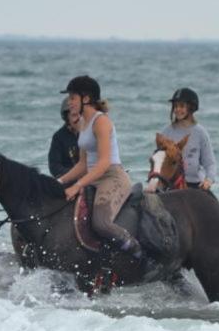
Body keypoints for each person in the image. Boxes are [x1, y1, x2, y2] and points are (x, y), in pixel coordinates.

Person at [56, 75, 157, 278]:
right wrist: (59, 182)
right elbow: (83, 164)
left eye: (73, 97)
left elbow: (103, 163)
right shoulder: (83, 122)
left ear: (86, 98)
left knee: (100, 223)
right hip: (93, 177)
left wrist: (77, 186)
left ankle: (142, 256)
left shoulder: (101, 122)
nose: (70, 102)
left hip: (112, 177)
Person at [159, 87, 217, 190]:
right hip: (171, 186)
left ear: (191, 108)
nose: (177, 109)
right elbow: (159, 162)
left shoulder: (200, 132)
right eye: (175, 106)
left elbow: (210, 163)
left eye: (181, 106)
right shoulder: (166, 132)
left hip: (195, 185)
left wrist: (208, 180)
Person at [48, 97, 80, 180]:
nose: (79, 119)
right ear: (67, 118)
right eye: (74, 115)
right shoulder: (59, 137)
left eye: (81, 114)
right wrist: (76, 174)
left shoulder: (91, 133)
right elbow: (54, 167)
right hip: (69, 179)